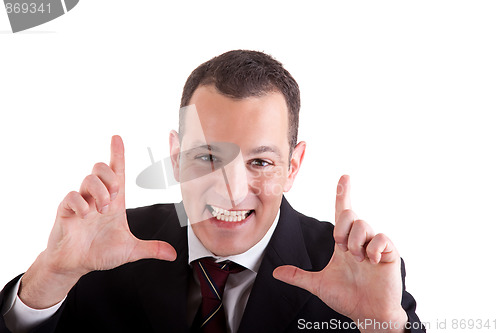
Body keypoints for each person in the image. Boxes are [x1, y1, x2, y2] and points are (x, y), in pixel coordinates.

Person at [0, 50, 425, 333]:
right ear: (174, 156)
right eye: (207, 157)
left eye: (260, 162)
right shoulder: (105, 248)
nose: (231, 191)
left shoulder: (352, 268)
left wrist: (386, 324)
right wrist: (50, 278)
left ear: (292, 167)